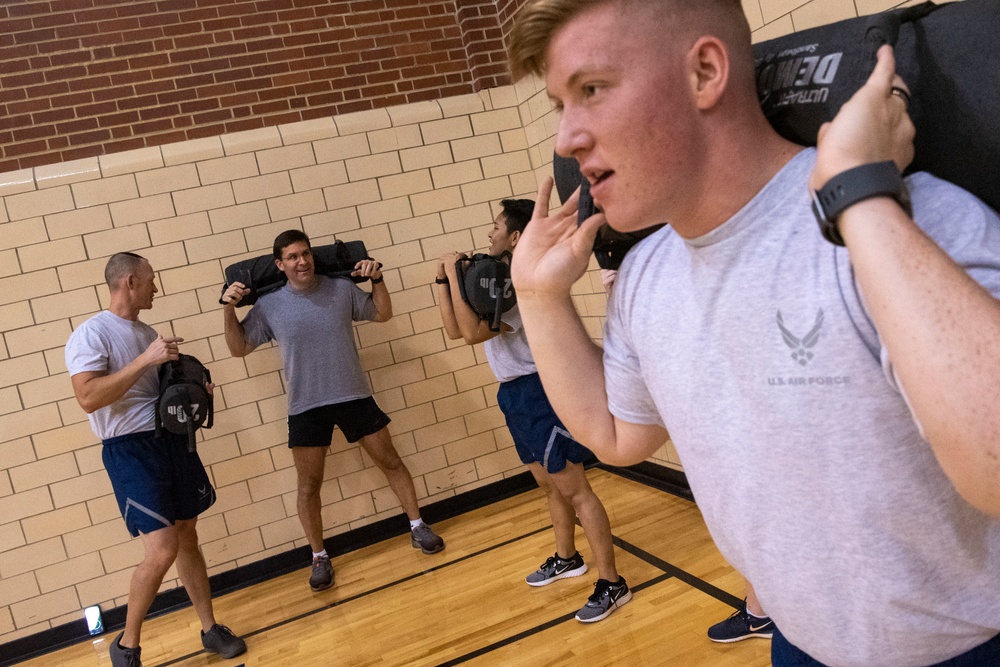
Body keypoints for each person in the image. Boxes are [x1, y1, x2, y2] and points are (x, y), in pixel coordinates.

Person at [506, 1, 1000, 666]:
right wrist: (537, 296)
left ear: (706, 72)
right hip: (799, 643)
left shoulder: (906, 217)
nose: (567, 138)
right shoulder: (648, 272)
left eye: (591, 90)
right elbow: (618, 433)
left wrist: (859, 195)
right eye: (559, 105)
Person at [435, 199, 631, 623]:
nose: (489, 234)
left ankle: (613, 582)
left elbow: (470, 332)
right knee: (549, 486)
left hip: (538, 391)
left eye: (495, 227)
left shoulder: (516, 283)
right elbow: (454, 329)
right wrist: (443, 280)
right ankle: (567, 557)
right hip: (514, 393)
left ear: (516, 237)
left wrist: (454, 273)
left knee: (576, 489)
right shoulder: (495, 279)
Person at [221, 230, 444, 592]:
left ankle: (418, 526)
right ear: (280, 265)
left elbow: (382, 313)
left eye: (305, 253)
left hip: (353, 394)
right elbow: (239, 347)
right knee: (309, 485)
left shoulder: (340, 290)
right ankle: (319, 556)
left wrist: (378, 279)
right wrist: (228, 308)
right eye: (292, 257)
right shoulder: (270, 305)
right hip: (306, 405)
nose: (302, 261)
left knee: (390, 461)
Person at [66, 252, 247, 667]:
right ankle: (127, 645)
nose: (156, 286)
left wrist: (194, 389)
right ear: (129, 282)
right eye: (150, 279)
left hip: (170, 441)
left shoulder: (146, 330)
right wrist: (147, 358)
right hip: (130, 450)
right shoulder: (92, 334)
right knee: (162, 549)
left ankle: (209, 629)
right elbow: (88, 397)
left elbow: (155, 395)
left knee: (187, 536)